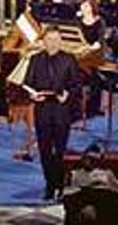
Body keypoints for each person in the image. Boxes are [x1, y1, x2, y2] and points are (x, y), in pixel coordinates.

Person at [23, 29, 83, 201]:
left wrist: (67, 94)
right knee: (45, 152)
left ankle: (59, 185)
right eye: (49, 39)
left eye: (56, 39)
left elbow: (77, 85)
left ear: (60, 41)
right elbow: (28, 83)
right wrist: (32, 95)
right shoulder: (35, 59)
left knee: (60, 152)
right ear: (44, 41)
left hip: (61, 112)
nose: (53, 43)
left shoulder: (69, 59)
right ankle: (50, 185)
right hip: (42, 111)